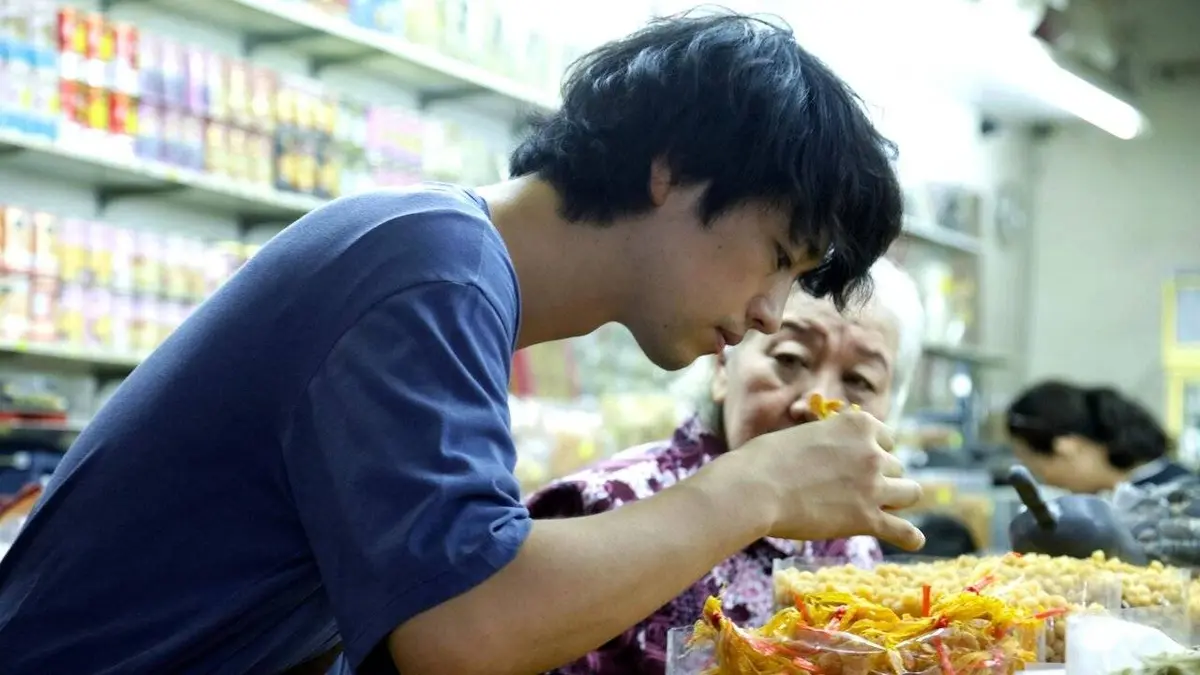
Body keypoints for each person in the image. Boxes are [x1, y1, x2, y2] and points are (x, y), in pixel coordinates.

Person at [0, 11, 925, 675]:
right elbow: (465, 630)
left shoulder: (449, 266)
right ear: (673, 170)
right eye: (778, 256)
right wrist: (756, 487)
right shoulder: (430, 268)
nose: (768, 311)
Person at [526, 258, 925, 674]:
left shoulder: (854, 543)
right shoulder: (601, 505)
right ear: (722, 367)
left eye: (859, 380)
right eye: (791, 358)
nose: (817, 403)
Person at [1006, 380, 1190, 494]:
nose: (1048, 482)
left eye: (1038, 469)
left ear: (1067, 446)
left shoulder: (1172, 503)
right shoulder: (1136, 496)